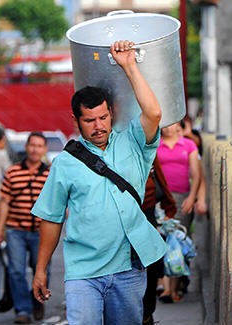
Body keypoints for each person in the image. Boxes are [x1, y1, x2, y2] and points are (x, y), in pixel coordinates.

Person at [31, 39, 165, 325]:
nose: (99, 126)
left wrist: (128, 65)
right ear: (76, 121)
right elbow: (51, 218)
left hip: (128, 268)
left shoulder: (133, 143)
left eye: (103, 117)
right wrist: (41, 268)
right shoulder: (65, 163)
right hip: (83, 272)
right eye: (90, 120)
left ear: (112, 113)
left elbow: (153, 113)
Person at [0, 132, 51, 324]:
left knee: (41, 269)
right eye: (32, 145)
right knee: (16, 270)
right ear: (26, 147)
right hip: (15, 229)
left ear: (44, 150)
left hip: (41, 232)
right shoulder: (13, 172)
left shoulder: (51, 174)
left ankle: (37, 300)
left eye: (39, 146)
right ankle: (22, 310)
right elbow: (5, 202)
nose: (35, 149)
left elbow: (58, 202)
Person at [156, 121, 203, 303]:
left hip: (182, 198)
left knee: (177, 241)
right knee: (163, 241)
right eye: (165, 124)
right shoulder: (156, 145)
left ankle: (175, 288)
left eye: (172, 123)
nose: (168, 127)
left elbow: (197, 174)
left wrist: (192, 197)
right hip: (161, 199)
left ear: (179, 126)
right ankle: (167, 289)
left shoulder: (188, 145)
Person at [142, 157, 177, 325]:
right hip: (117, 222)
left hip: (147, 220)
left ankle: (146, 316)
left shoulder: (146, 152)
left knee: (151, 270)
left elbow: (159, 186)